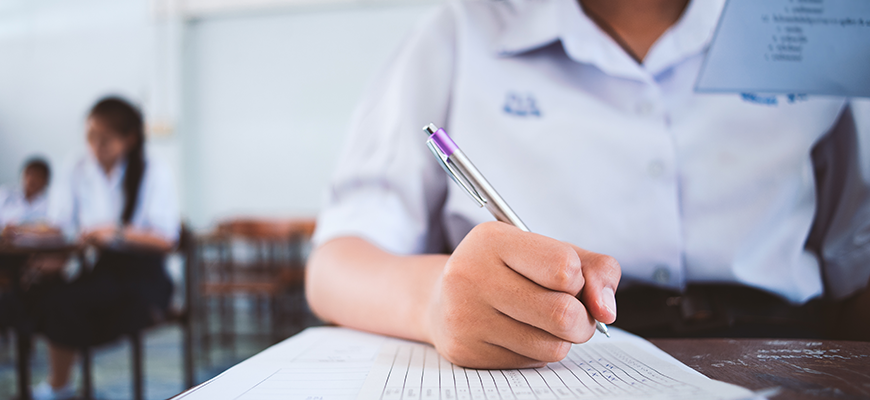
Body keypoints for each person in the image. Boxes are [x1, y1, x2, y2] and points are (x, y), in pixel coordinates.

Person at [305, 0, 870, 370]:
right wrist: (433, 301)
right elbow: (336, 265)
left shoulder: (813, 21)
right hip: (554, 360)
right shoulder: (458, 32)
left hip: (789, 354)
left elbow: (856, 267)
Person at [30, 96, 180, 400]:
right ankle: (62, 384)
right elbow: (60, 225)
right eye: (91, 137)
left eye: (105, 140)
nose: (96, 147)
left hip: (143, 274)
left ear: (129, 139)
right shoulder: (77, 165)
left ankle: (60, 386)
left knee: (69, 303)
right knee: (44, 296)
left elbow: (166, 240)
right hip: (101, 268)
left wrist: (115, 231)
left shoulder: (153, 170)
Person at [0, 157, 51, 234]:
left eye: (39, 176)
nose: (32, 179)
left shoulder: (50, 203)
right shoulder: (6, 194)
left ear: (46, 181)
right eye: (29, 173)